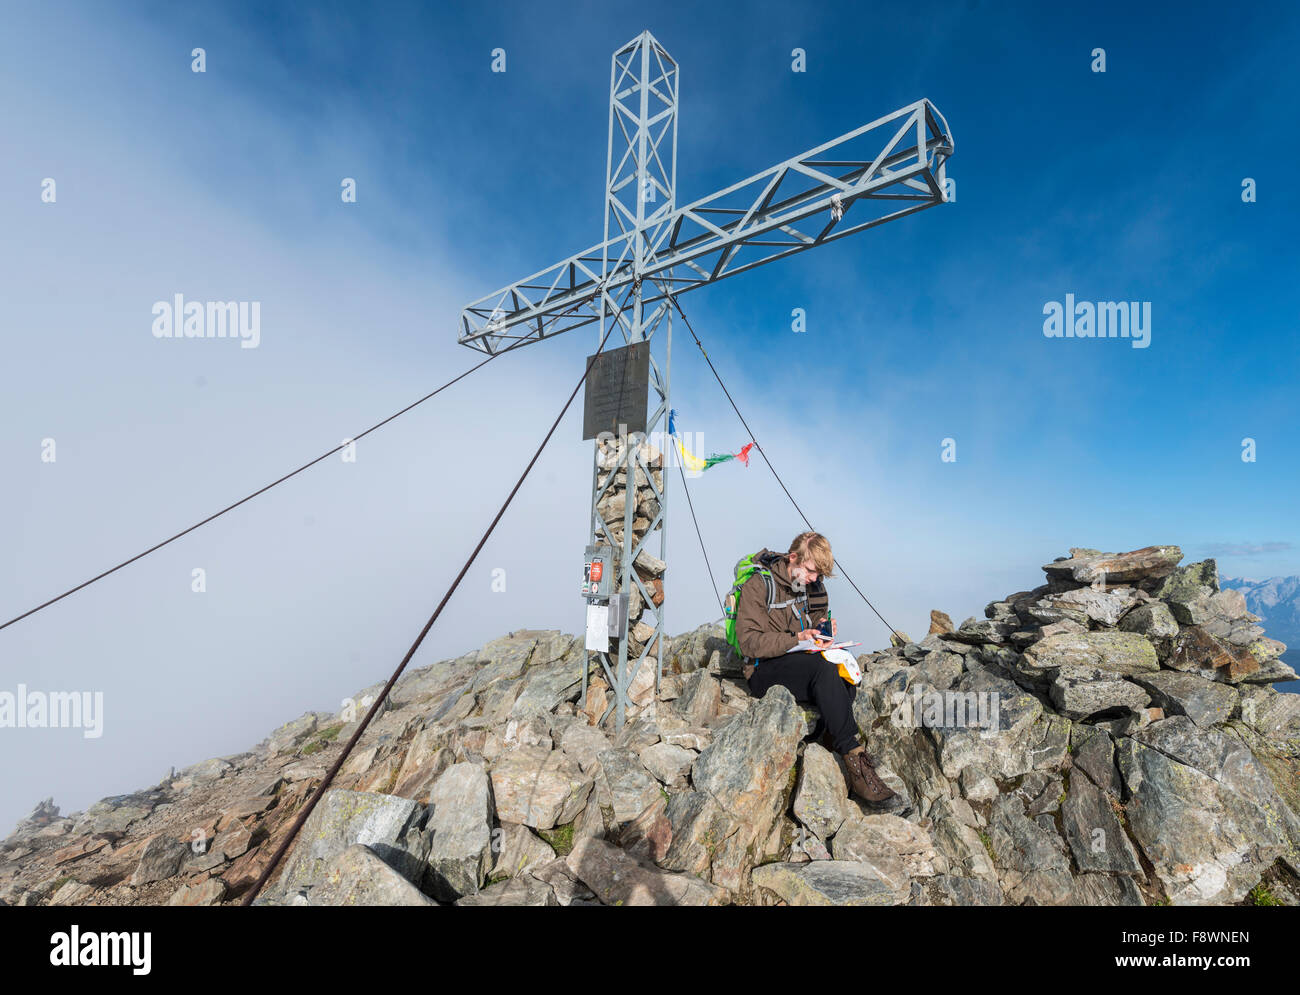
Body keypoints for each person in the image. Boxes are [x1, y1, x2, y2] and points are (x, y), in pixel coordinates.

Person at [735, 531, 895, 803]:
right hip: (762, 668)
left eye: (819, 575)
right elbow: (748, 642)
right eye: (810, 571)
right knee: (824, 671)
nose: (814, 579)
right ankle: (855, 763)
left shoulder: (813, 587)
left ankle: (832, 739)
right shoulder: (759, 585)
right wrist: (795, 639)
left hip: (799, 657)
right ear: (793, 557)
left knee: (844, 668)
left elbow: (818, 619)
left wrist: (823, 629)